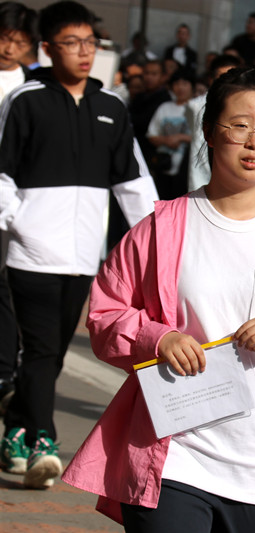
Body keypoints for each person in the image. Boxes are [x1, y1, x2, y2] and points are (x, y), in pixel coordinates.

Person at [61, 65, 255, 533]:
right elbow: (105, 314)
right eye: (240, 125)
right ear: (210, 132)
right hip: (173, 458)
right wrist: (158, 338)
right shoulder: (161, 228)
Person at [0, 0, 158, 489]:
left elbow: (132, 181)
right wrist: (16, 223)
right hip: (31, 253)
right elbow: (3, 175)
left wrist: (160, 237)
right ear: (48, 49)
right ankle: (43, 441)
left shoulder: (111, 106)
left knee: (50, 354)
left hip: (84, 255)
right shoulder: (25, 101)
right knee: (41, 349)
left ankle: (16, 430)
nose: (85, 52)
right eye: (72, 43)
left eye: (90, 42)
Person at [0, 1, 37, 414]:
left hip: (13, 202)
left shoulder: (30, 87)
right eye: (5, 38)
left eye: (19, 42)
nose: (10, 48)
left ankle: (5, 374)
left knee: (6, 288)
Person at [186, 53, 242, 192]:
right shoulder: (195, 106)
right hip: (202, 173)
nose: (227, 83)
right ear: (211, 79)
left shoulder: (248, 106)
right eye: (221, 77)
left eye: (232, 77)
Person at [146, 68, 194, 200]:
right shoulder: (164, 108)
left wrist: (181, 137)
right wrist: (166, 141)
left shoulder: (197, 108)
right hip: (163, 165)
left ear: (192, 86)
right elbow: (151, 135)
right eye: (177, 84)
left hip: (187, 168)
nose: (180, 88)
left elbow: (203, 137)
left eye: (185, 83)